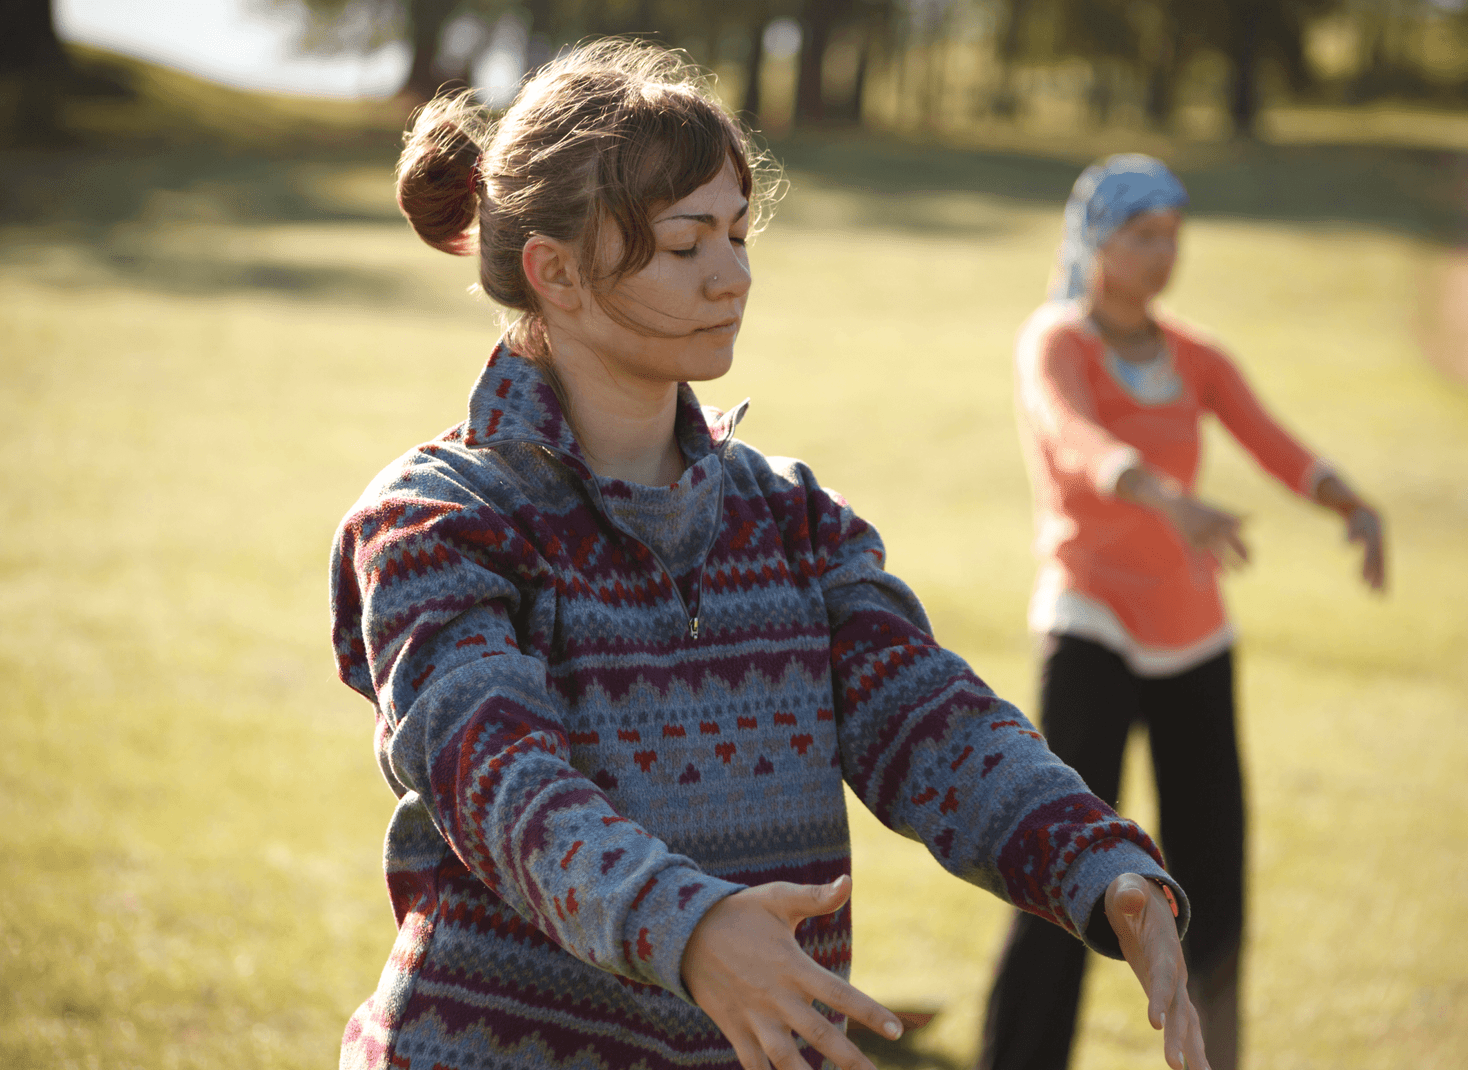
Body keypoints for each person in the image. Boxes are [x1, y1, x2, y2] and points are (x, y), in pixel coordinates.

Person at [330, 45, 1212, 1070]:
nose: (734, 273)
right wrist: (691, 928)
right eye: (684, 244)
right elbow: (502, 785)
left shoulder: (791, 518)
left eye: (739, 233)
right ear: (556, 271)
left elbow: (931, 720)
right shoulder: (438, 521)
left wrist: (1098, 862)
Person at [977, 154, 1387, 1070]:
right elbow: (1076, 441)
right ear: (1098, 243)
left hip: (1194, 637)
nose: (1165, 253)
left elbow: (1271, 439)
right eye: (1144, 236)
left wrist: (1348, 501)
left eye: (1174, 236)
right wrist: (1166, 497)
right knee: (1061, 860)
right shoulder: (1058, 340)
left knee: (1212, 872)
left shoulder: (1195, 354)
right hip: (1089, 625)